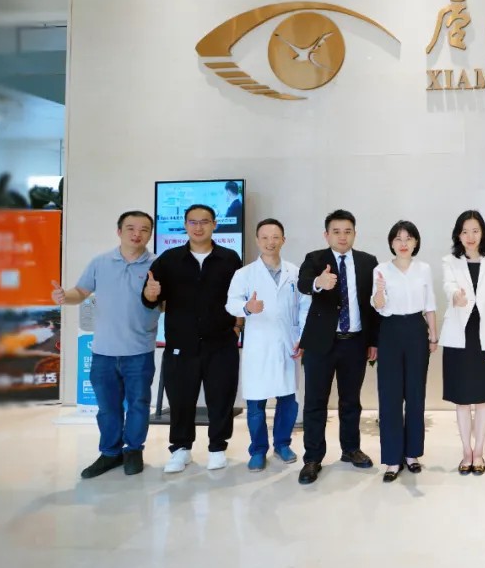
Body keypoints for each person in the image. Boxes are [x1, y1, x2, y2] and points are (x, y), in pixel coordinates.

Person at [51, 211, 160, 478]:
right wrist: (65, 296)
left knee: (138, 405)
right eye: (130, 228)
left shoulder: (158, 265)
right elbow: (81, 292)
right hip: (103, 351)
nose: (137, 234)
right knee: (108, 408)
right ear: (119, 231)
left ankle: (133, 450)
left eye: (144, 229)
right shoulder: (100, 262)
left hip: (139, 350)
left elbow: (167, 304)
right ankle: (110, 453)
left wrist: (155, 296)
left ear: (150, 234)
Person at [142, 204, 243, 474]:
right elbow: (150, 299)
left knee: (221, 398)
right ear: (185, 225)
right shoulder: (169, 259)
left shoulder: (229, 258)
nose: (199, 227)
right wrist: (151, 294)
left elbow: (240, 297)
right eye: (193, 222)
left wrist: (237, 327)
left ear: (214, 225)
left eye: (204, 221)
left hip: (221, 342)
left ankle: (217, 448)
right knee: (180, 398)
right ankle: (180, 449)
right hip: (181, 344)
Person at [295, 210, 380, 486]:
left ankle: (351, 449)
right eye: (336, 231)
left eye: (347, 231)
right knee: (315, 402)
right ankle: (312, 458)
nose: (342, 237)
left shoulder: (368, 262)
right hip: (321, 343)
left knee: (351, 401)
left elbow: (372, 306)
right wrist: (319, 283)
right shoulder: (315, 259)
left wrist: (373, 341)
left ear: (355, 233)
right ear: (326, 234)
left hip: (355, 342)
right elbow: (303, 283)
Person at [225, 219, 301, 472]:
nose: (271, 242)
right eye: (265, 237)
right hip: (258, 345)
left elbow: (304, 306)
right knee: (256, 403)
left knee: (288, 399)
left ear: (283, 240)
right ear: (258, 241)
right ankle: (258, 450)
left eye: (276, 237)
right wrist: (247, 307)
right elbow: (231, 304)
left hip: (288, 344)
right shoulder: (245, 274)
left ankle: (282, 444)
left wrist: (302, 336)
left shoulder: (294, 272)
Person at [439, 210, 485, 476]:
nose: (470, 236)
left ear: (483, 233)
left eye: (475, 231)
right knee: (462, 401)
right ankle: (466, 452)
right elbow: (448, 286)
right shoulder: (450, 261)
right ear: (458, 235)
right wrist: (455, 295)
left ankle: (479, 453)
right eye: (465, 231)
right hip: (459, 337)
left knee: (482, 400)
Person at [371, 220, 438, 482]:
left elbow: (430, 304)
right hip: (390, 330)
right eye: (398, 238)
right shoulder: (381, 270)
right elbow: (378, 306)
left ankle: (412, 454)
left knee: (415, 393)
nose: (403, 243)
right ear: (391, 243)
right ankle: (391, 458)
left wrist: (433, 336)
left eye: (408, 238)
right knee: (389, 395)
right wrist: (379, 292)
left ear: (416, 242)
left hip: (416, 330)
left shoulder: (424, 269)